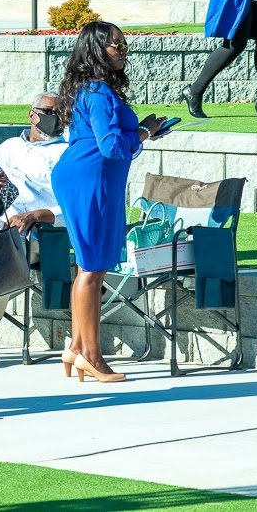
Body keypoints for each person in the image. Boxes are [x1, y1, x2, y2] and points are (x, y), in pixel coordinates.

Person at [51, 21, 167, 383]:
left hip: (90, 177)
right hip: (91, 179)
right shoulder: (98, 92)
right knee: (93, 267)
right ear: (97, 50)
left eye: (123, 44)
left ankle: (76, 346)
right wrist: (144, 134)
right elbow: (111, 145)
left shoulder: (93, 88)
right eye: (116, 46)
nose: (123, 51)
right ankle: (91, 356)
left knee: (90, 265)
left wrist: (140, 132)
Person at [0, 92, 68, 369]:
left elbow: (72, 208)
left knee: (4, 255)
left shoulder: (65, 153)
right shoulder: (11, 145)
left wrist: (34, 215)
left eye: (60, 112)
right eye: (49, 111)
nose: (55, 118)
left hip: (38, 234)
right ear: (32, 114)